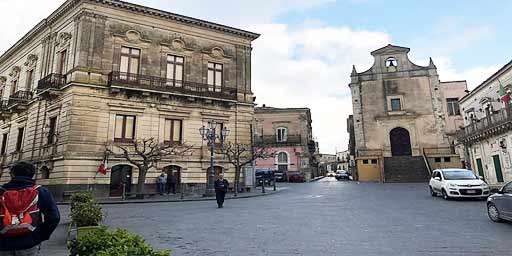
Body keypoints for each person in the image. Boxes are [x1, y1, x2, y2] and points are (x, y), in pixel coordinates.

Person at [0, 161, 60, 256]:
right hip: (30, 242)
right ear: (32, 175)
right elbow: (54, 217)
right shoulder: (41, 191)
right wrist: (40, 235)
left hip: (3, 243)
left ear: (12, 174)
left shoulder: (1, 192)